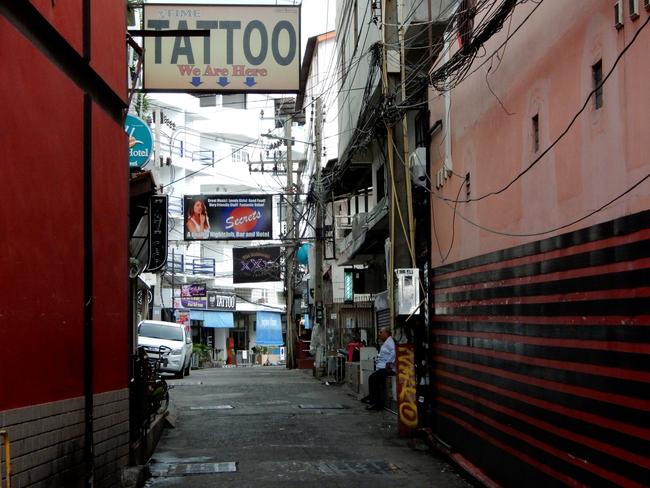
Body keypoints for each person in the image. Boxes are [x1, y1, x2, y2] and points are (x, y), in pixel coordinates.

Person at [361, 326, 395, 411]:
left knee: (374, 378)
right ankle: (372, 399)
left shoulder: (390, 342)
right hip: (382, 367)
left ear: (386, 333)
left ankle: (376, 403)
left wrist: (388, 363)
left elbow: (394, 352)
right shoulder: (386, 342)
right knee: (372, 378)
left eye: (381, 332)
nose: (379, 334)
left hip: (388, 369)